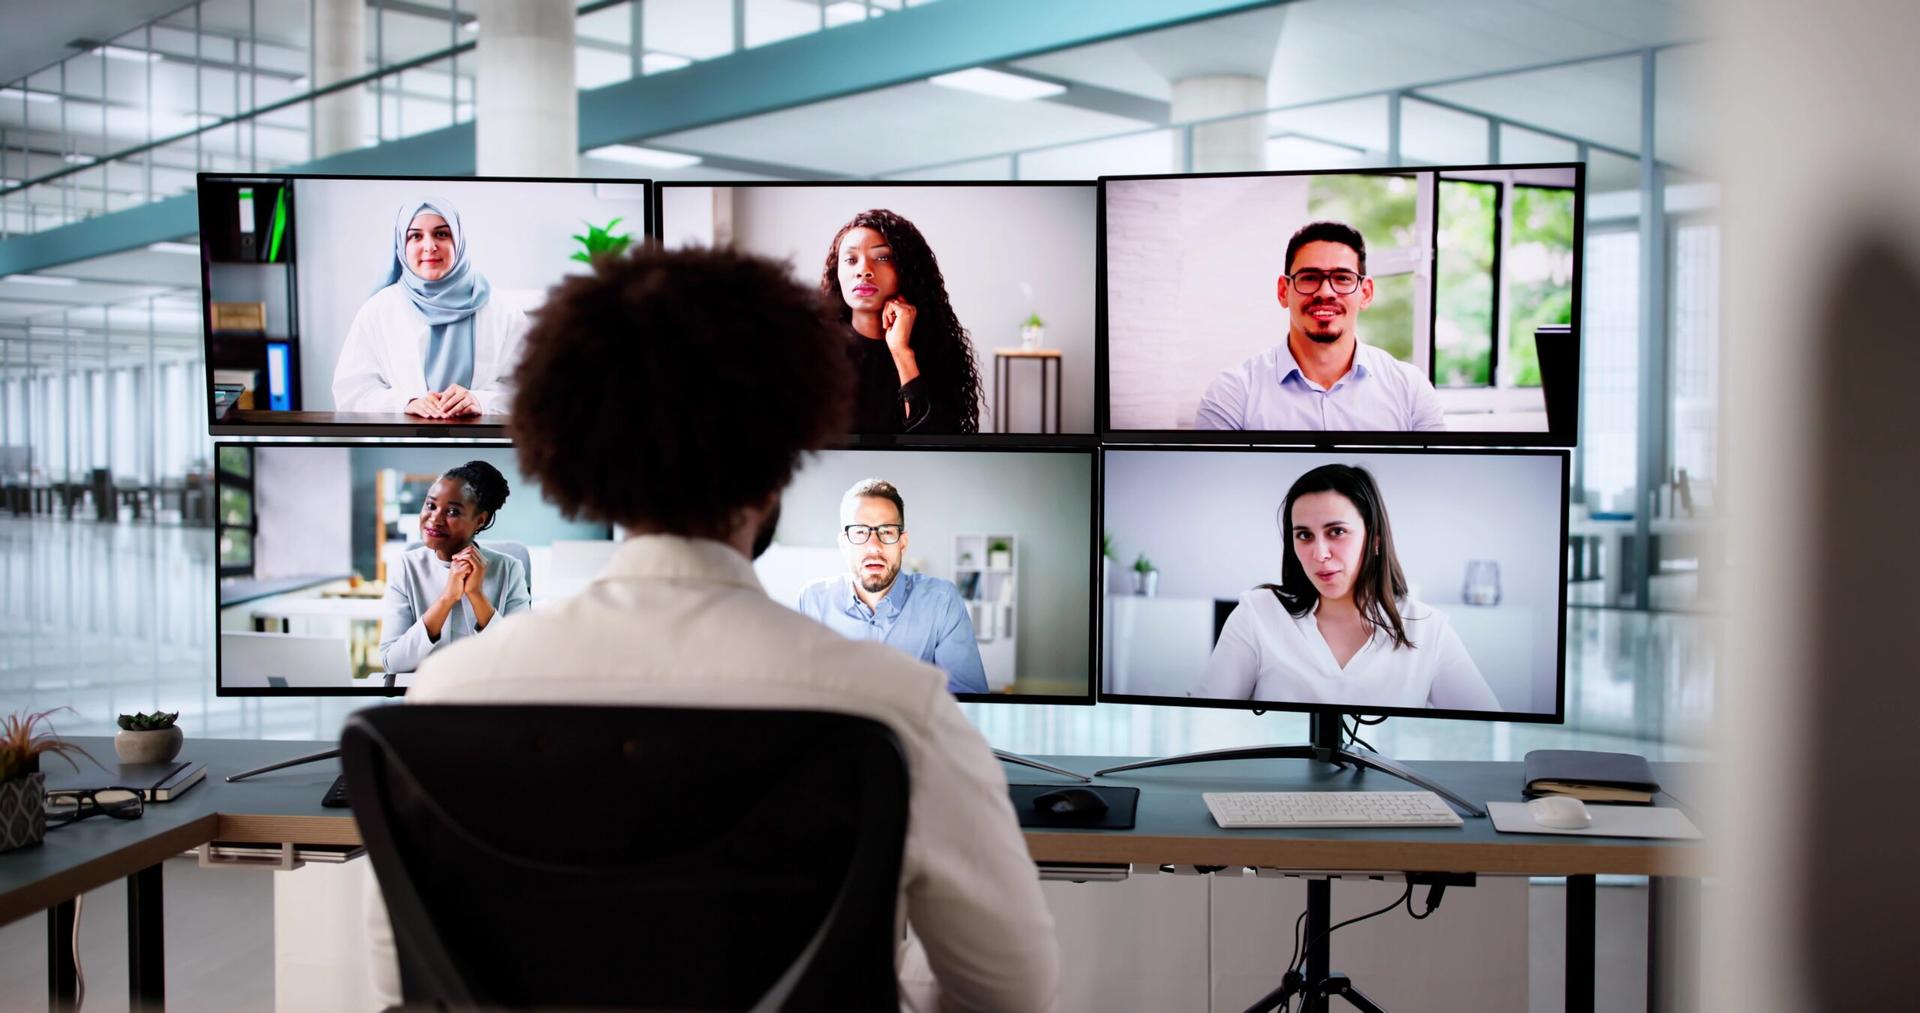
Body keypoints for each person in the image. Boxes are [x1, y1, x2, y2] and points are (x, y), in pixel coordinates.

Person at [366, 247, 1058, 1012]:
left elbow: (404, 979)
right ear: (781, 466)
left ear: (576, 461)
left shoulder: (449, 693)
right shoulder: (899, 708)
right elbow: (1009, 993)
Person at [1193, 463, 1499, 711]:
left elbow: (1488, 728)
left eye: (1336, 531)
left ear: (1375, 539)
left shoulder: (1426, 627)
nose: (1320, 553)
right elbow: (1204, 718)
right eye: (1304, 535)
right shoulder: (1258, 612)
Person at [1194, 220, 1446, 432]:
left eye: (1342, 278)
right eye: (1309, 278)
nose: (1325, 292)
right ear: (1283, 291)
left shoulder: (1411, 390)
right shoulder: (1233, 393)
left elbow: (1435, 480)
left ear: (1366, 292)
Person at [332, 198, 529, 417]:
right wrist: (405, 403)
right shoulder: (378, 311)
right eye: (416, 236)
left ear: (459, 240)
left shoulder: (503, 311)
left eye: (441, 234)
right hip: (401, 449)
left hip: (484, 449)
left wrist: (481, 401)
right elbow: (351, 394)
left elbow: (534, 391)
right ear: (401, 245)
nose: (430, 246)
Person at [795, 478, 990, 695]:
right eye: (860, 532)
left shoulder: (942, 602)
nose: (874, 546)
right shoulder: (812, 601)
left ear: (902, 543)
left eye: (886, 531)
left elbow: (968, 700)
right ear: (844, 544)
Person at [820, 209, 983, 433]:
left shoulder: (935, 348)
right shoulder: (817, 351)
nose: (863, 271)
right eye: (850, 260)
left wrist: (901, 352)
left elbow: (936, 445)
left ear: (906, 270)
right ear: (836, 272)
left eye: (883, 257)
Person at [378, 460, 531, 674]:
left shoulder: (509, 569)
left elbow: (519, 660)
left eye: (452, 512)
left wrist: (476, 595)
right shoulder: (405, 567)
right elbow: (392, 662)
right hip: (427, 698)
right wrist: (447, 598)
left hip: (488, 698)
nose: (435, 519)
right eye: (431, 505)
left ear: (479, 520)